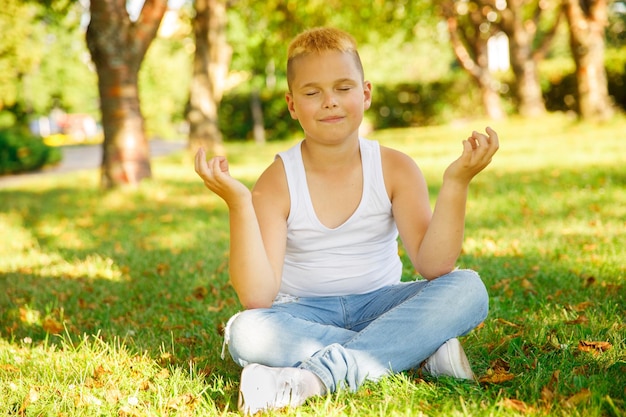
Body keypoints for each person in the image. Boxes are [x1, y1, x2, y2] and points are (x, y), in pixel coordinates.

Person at [195, 27, 499, 415]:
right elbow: (258, 297)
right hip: (302, 312)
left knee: (468, 288)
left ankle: (313, 379)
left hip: (383, 303)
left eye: (343, 88)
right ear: (292, 104)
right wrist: (238, 203)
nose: (329, 103)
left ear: (365, 93)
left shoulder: (395, 168)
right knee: (246, 331)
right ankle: (417, 352)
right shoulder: (276, 182)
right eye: (312, 92)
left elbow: (434, 265)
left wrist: (457, 182)